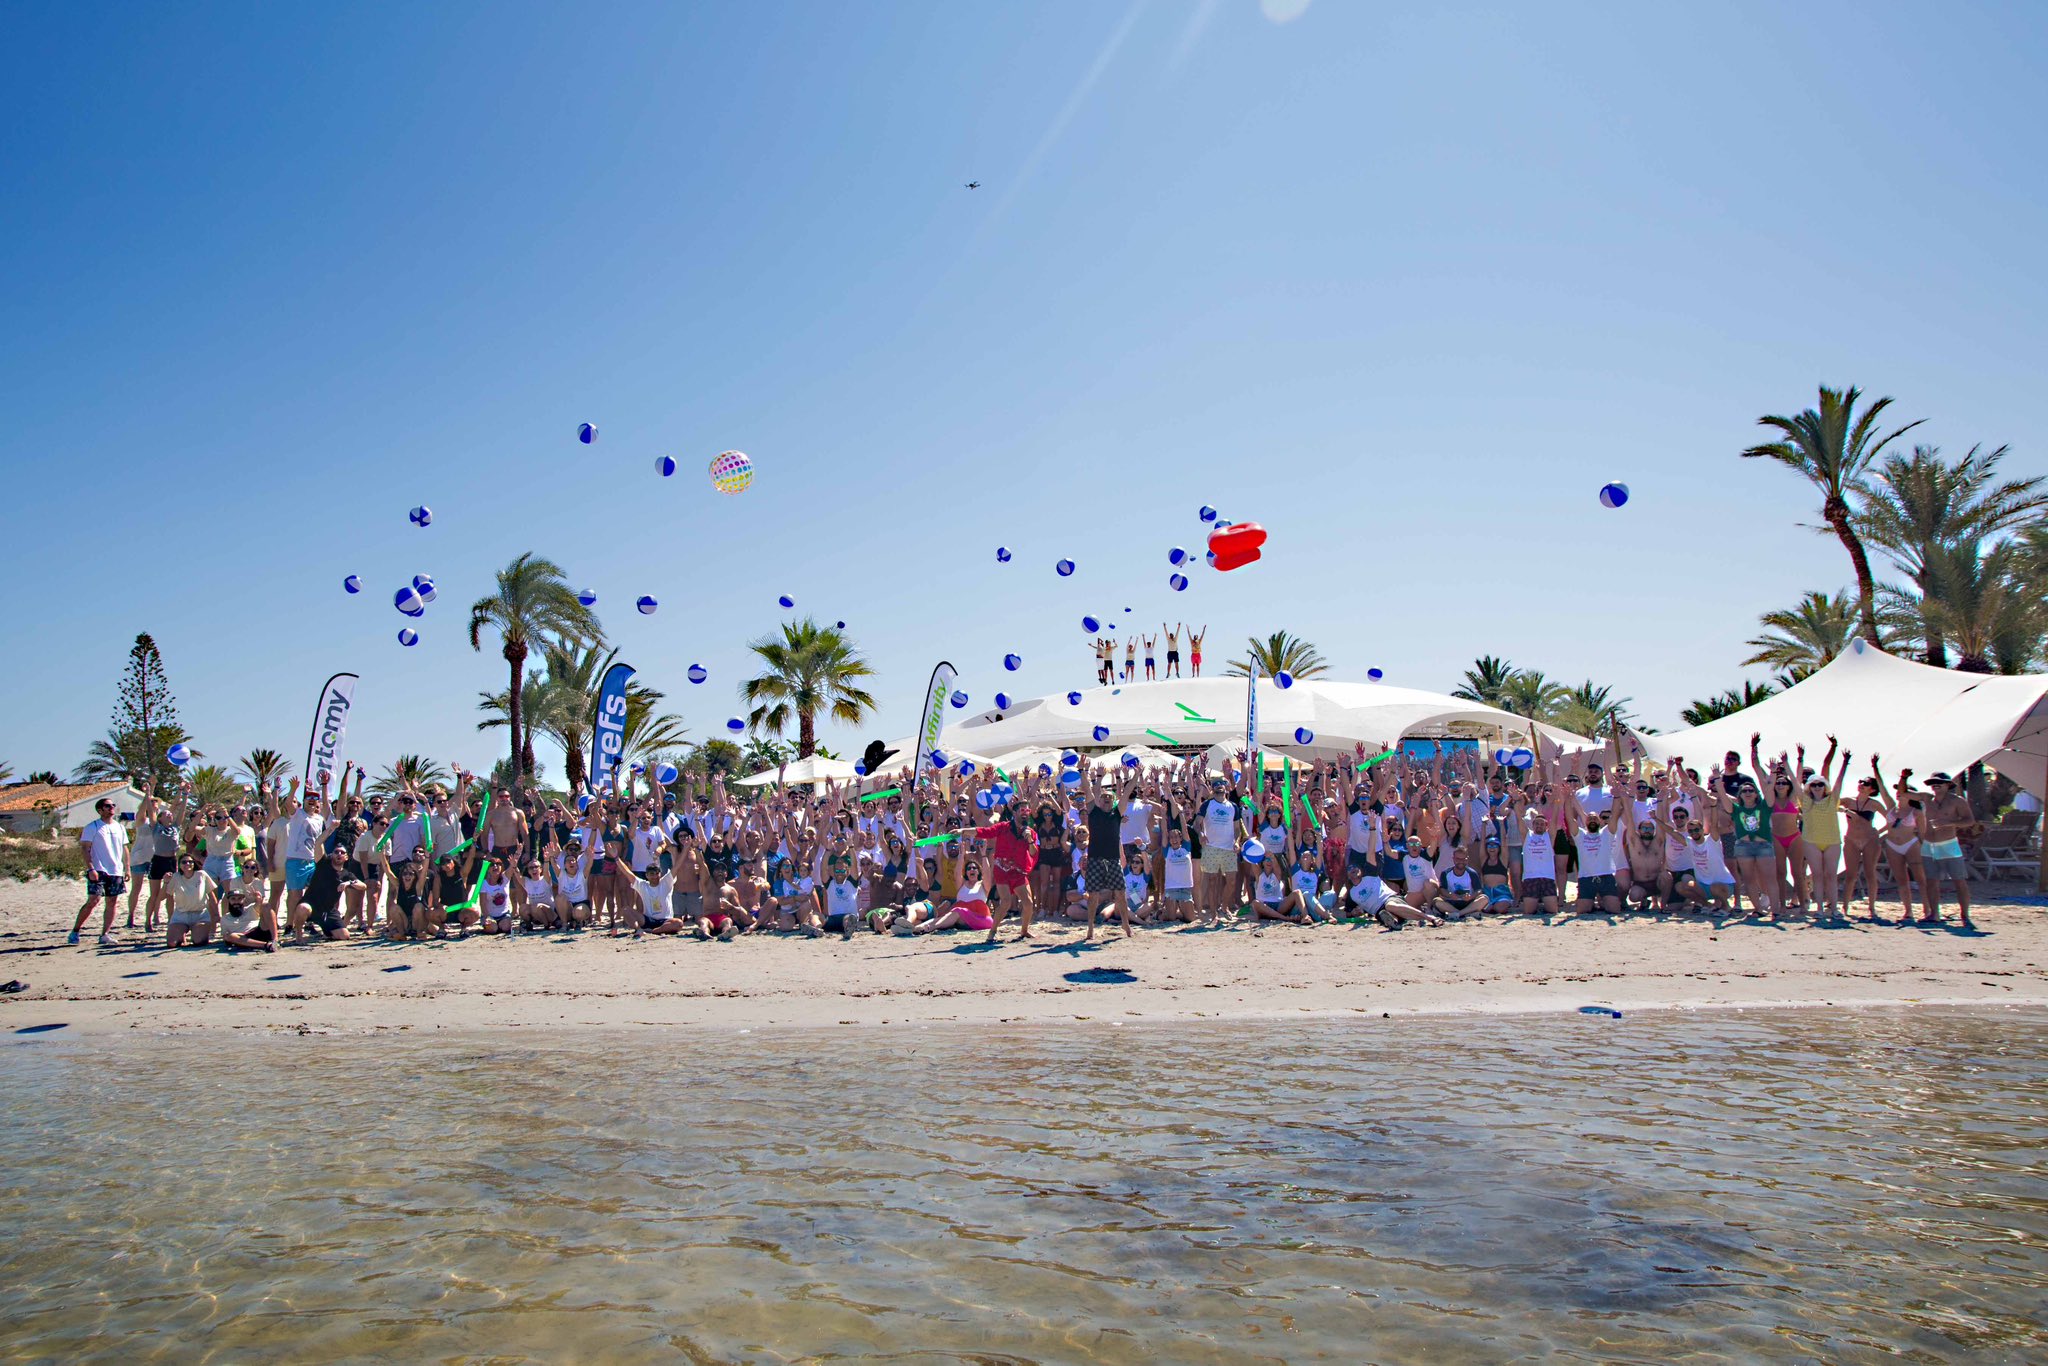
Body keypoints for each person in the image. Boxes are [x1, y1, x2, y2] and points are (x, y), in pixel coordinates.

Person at [1919, 771, 1981, 929]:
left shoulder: (1957, 801)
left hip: (1949, 844)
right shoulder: (1927, 799)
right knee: (1931, 881)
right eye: (1933, 782)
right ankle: (1934, 914)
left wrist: (1948, 823)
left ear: (1948, 785)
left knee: (1959, 881)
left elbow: (1969, 820)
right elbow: (1905, 793)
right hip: (1929, 844)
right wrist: (1904, 778)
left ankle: (1965, 915)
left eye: (1939, 782)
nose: (1936, 785)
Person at [70, 796, 129, 946]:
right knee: (93, 900)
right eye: (108, 806)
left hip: (116, 870)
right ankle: (75, 931)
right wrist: (91, 868)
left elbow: (125, 848)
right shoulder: (93, 827)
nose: (111, 808)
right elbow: (85, 848)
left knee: (112, 901)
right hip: (98, 869)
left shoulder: (120, 827)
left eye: (112, 805)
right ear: (100, 810)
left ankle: (105, 934)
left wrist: (126, 868)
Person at [162, 852, 218, 948]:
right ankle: (181, 935)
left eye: (190, 862)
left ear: (194, 863)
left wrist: (216, 914)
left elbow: (211, 896)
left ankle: (196, 932)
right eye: (184, 862)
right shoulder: (175, 877)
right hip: (181, 915)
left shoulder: (202, 875)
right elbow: (165, 897)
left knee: (198, 941)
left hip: (200, 914)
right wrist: (166, 882)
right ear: (179, 865)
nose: (187, 864)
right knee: (171, 943)